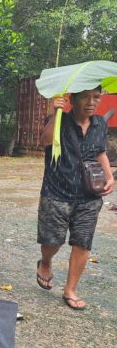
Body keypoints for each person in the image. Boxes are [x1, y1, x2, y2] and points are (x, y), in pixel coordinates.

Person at [35, 89, 113, 310]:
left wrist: (109, 177)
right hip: (56, 193)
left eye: (96, 97)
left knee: (83, 242)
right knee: (52, 241)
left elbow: (100, 152)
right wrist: (56, 113)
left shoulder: (100, 123)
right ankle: (46, 262)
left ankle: (70, 289)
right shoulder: (58, 119)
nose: (91, 102)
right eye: (85, 97)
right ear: (73, 99)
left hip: (89, 195)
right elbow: (45, 141)